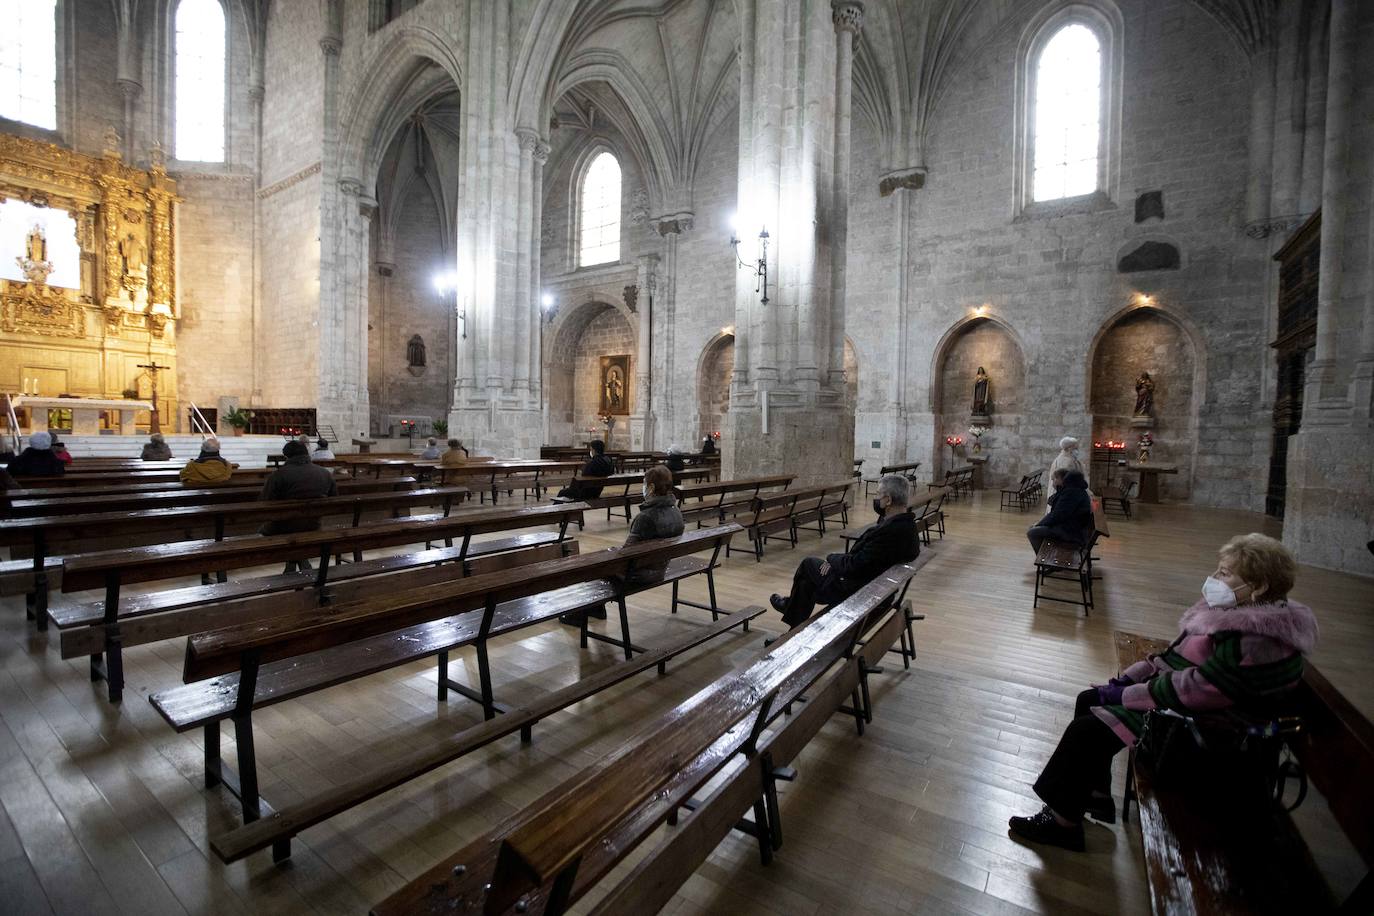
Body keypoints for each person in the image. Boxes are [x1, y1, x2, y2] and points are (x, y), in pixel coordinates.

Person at [1008, 533, 1317, 851]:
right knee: (1088, 700)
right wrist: (1126, 681)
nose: (1214, 578)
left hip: (1209, 732)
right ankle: (1095, 795)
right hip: (1193, 707)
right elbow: (1175, 656)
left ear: (1259, 587)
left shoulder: (1255, 641)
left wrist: (1128, 695)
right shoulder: (1240, 617)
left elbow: (1200, 689)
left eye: (1225, 573)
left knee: (1085, 732)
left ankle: (1062, 825)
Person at [769, 474, 919, 629]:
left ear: (888, 500)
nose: (876, 498)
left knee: (808, 565)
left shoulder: (890, 532)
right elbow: (866, 560)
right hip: (872, 588)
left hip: (857, 592)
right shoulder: (907, 526)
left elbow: (854, 565)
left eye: (878, 495)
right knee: (806, 584)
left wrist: (832, 559)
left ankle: (790, 610)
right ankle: (791, 629)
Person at [562, 464, 686, 627]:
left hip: (640, 574)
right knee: (604, 560)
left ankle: (579, 615)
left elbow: (626, 555)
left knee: (594, 564)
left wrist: (608, 556)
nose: (642, 488)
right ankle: (596, 608)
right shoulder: (676, 511)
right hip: (660, 567)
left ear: (651, 487)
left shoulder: (646, 517)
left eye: (644, 484)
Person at [258, 439, 339, 573]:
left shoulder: (279, 475)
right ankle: (301, 561)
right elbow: (334, 499)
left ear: (287, 456)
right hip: (314, 524)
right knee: (299, 526)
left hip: (283, 526)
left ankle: (293, 565)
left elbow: (265, 502)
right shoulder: (324, 473)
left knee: (266, 529)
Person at [1026, 469, 1092, 556]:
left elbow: (1057, 515)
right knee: (1035, 528)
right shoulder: (1078, 490)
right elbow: (1056, 508)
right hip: (1074, 528)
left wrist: (1039, 524)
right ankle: (1048, 556)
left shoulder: (1072, 493)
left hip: (1071, 532)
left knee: (1032, 532)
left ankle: (1045, 558)